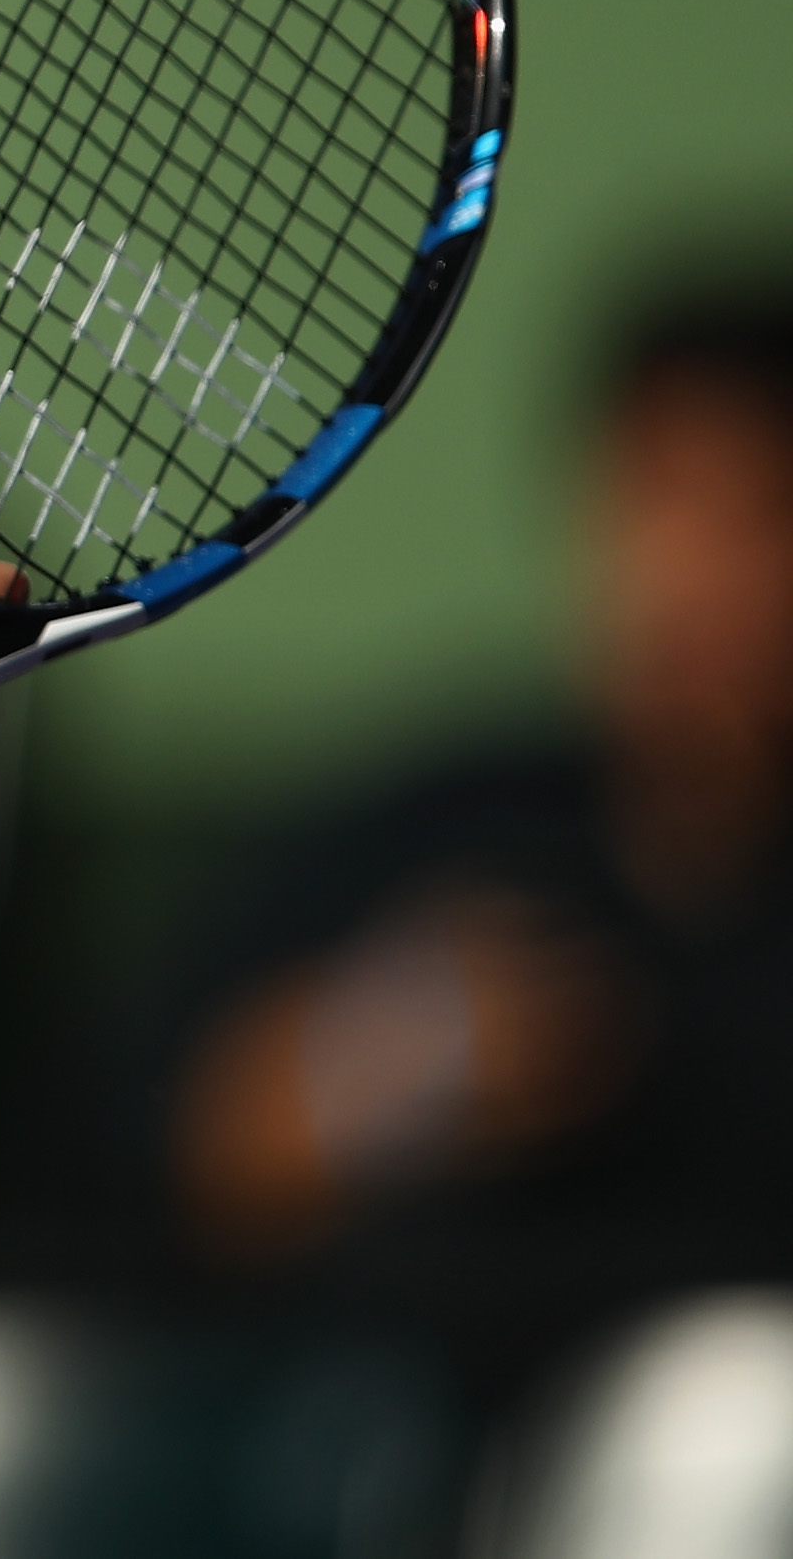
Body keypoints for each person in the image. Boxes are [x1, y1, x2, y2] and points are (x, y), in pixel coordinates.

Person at [153, 279, 793, 1307]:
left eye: (754, 514)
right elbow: (159, 1150)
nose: (687, 574)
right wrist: (369, 1064)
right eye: (654, 495)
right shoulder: (439, 825)